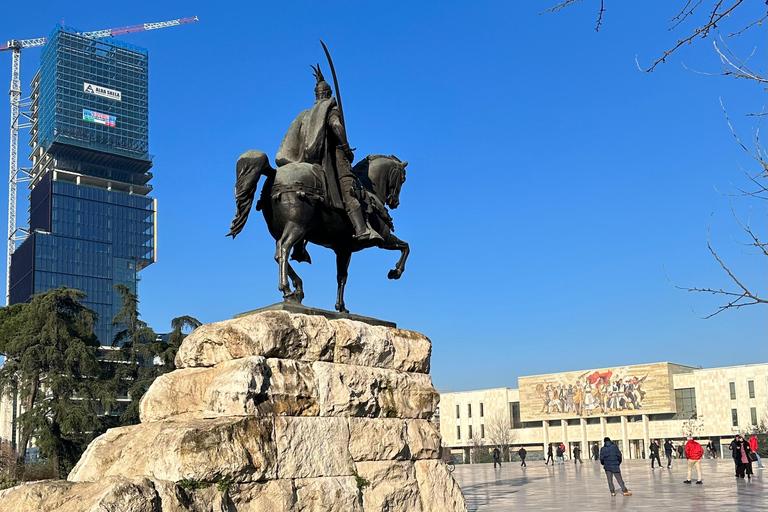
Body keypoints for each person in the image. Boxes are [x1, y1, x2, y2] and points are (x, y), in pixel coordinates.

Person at [276, 66, 382, 242]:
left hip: (305, 159)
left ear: (316, 95)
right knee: (349, 187)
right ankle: (362, 229)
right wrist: (346, 148)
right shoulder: (330, 108)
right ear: (329, 93)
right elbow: (336, 126)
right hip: (331, 159)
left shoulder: (305, 114)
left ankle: (300, 247)